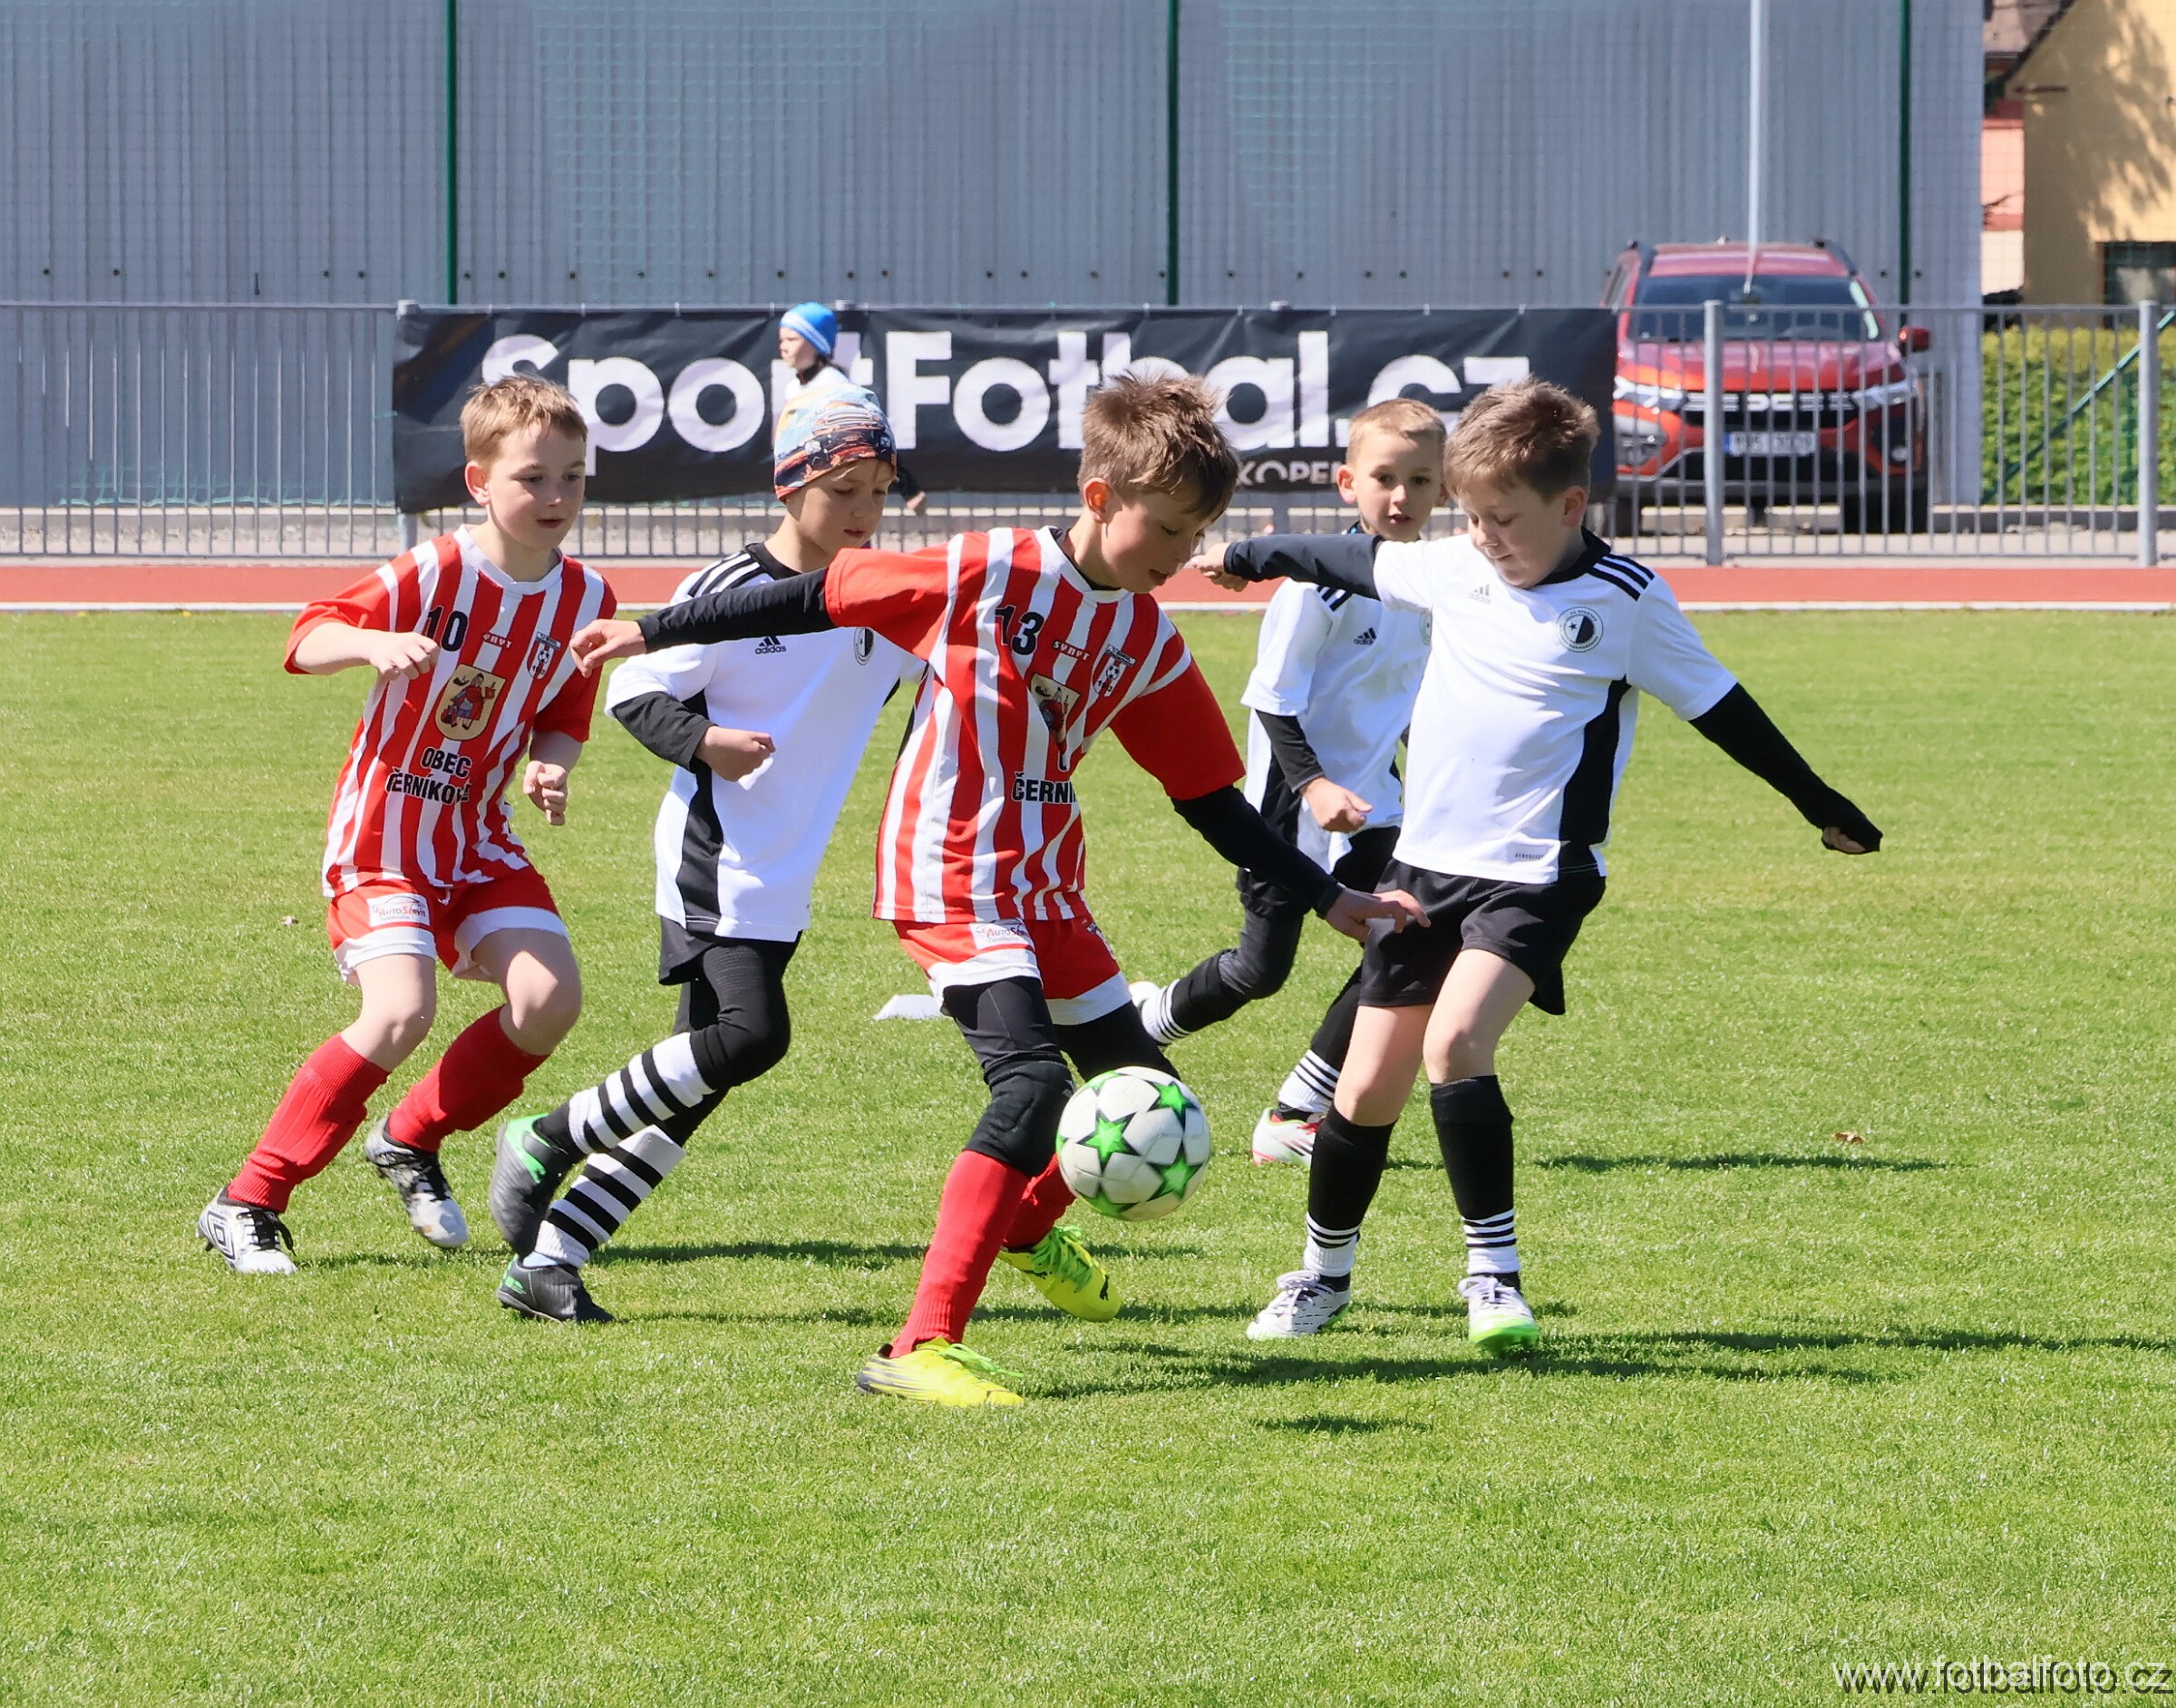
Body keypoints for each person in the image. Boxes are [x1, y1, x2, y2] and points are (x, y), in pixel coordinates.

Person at [570, 374, 1423, 1404]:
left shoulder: (1146, 638)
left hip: (1046, 887)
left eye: (1198, 535)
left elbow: (1209, 798)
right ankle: (919, 1346)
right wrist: (653, 632)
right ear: (1101, 497)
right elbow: (816, 595)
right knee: (1032, 1091)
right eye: (1167, 529)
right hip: (948, 870)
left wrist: (1326, 897)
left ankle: (1020, 1226)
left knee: (1155, 1100)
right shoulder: (987, 569)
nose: (1182, 555)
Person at [1199, 378, 1881, 1353]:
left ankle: (1494, 1280)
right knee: (1366, 1087)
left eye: (1504, 520)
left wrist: (1821, 806)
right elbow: (1346, 557)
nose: (1483, 537)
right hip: (1423, 870)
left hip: (1539, 873)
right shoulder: (1455, 566)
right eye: (1472, 517)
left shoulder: (1627, 602)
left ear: (1570, 505)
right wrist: (1248, 555)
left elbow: (1725, 712)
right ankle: (1323, 1277)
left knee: (1455, 1043)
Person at [490, 388, 923, 1324]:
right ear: (789, 486)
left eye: (880, 492)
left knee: (696, 1083)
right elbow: (633, 692)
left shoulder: (888, 601)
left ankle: (550, 1262)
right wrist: (706, 743)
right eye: (844, 489)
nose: (864, 511)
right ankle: (547, 1135)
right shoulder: (728, 587)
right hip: (716, 855)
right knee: (751, 1037)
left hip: (787, 866)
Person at [197, 375, 614, 1273]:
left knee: (549, 1002)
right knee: (399, 1012)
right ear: (478, 482)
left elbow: (566, 709)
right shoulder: (434, 571)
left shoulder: (586, 598)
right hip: (383, 836)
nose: (556, 497)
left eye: (573, 477)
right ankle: (247, 1200)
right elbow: (307, 636)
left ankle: (409, 1136)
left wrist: (552, 764)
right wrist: (372, 643)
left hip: (477, 839)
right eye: (533, 478)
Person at [1130, 396, 1443, 1165]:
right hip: (1287, 807)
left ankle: (1296, 1111)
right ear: (1347, 484)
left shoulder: (1432, 585)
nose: (1401, 497)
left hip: (1376, 806)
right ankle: (1145, 1026)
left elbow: (1404, 697)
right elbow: (1272, 700)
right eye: (1385, 478)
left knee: (1408, 939)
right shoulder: (1316, 588)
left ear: (1444, 488)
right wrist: (1314, 786)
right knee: (1258, 971)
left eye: (1420, 481)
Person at [778, 303, 928, 516]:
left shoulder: (834, 385)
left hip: (839, 488)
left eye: (792, 339)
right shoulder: (794, 388)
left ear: (817, 343)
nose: (783, 347)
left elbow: (873, 435)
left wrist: (909, 488)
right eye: (782, 340)